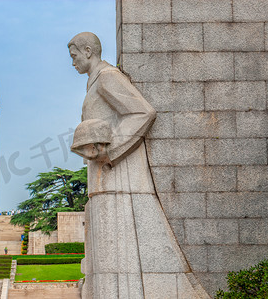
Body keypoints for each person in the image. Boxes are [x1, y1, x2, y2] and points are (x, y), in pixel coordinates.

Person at [68, 32, 204, 299]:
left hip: (118, 173)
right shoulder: (94, 81)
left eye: (73, 56)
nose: (72, 62)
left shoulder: (107, 77)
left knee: (116, 246)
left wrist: (110, 150)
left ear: (87, 51)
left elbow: (142, 112)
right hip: (102, 175)